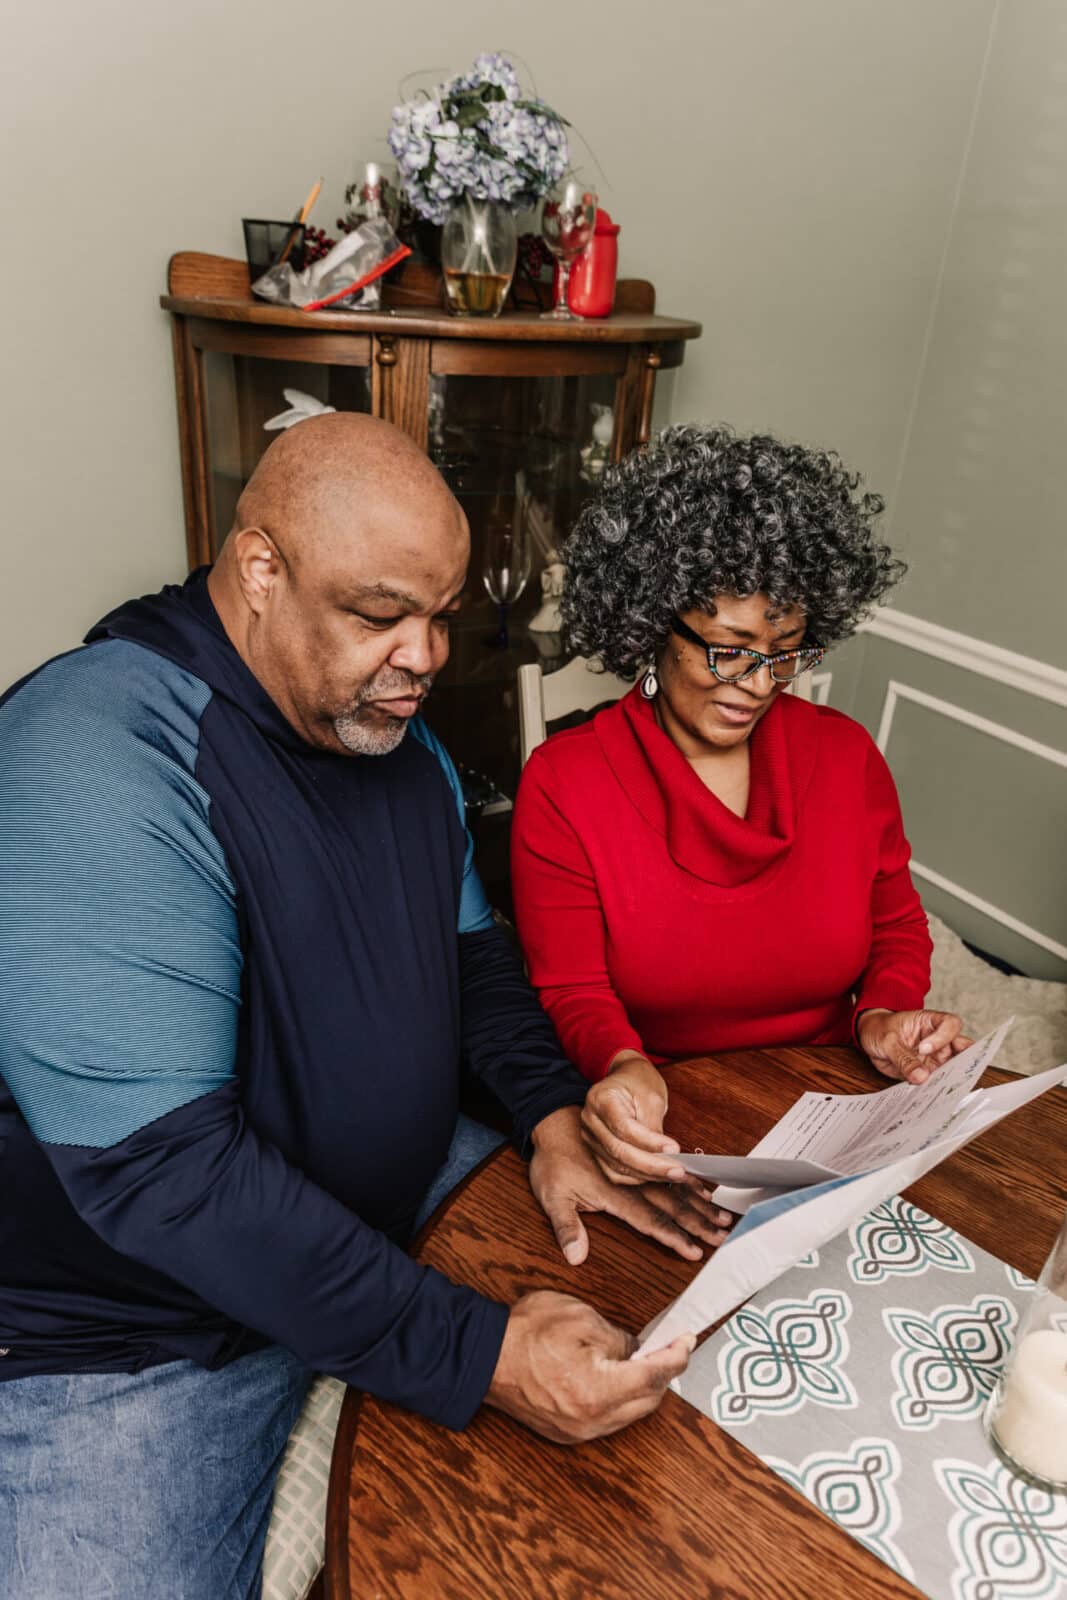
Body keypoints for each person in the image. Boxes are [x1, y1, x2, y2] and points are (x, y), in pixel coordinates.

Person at [0, 415, 723, 1598]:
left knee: (675, 1350)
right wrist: (475, 1352)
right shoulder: (96, 752)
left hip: (394, 1198)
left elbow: (475, 958)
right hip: (142, 1329)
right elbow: (168, 1181)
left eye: (438, 615)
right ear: (259, 568)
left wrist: (548, 1114)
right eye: (379, 612)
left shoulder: (393, 737)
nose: (424, 655)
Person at [511, 423, 972, 1190]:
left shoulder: (846, 756)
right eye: (728, 649)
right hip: (665, 1119)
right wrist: (622, 1064)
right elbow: (573, 989)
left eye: (785, 651)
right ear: (653, 622)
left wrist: (882, 1017)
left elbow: (894, 924)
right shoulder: (565, 783)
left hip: (836, 1099)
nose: (758, 684)